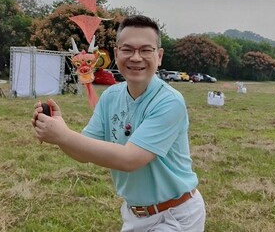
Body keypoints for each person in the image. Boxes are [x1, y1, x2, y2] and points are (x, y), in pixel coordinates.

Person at [33, 15, 206, 231]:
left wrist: (64, 136)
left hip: (174, 216)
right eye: (127, 50)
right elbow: (83, 152)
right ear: (116, 54)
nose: (136, 57)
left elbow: (130, 159)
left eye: (145, 50)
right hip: (134, 214)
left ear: (159, 56)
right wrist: (59, 132)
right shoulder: (110, 97)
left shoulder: (169, 101)